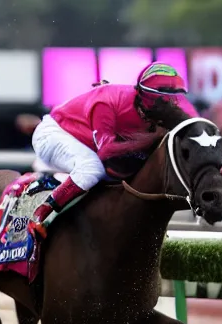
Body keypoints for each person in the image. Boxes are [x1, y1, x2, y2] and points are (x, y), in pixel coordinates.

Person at [29, 62, 200, 239]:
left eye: (174, 99)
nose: (171, 104)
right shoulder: (108, 101)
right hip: (55, 133)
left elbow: (196, 128)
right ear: (147, 98)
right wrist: (152, 138)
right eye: (165, 99)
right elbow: (107, 152)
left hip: (88, 141)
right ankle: (42, 215)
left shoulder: (160, 105)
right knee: (92, 168)